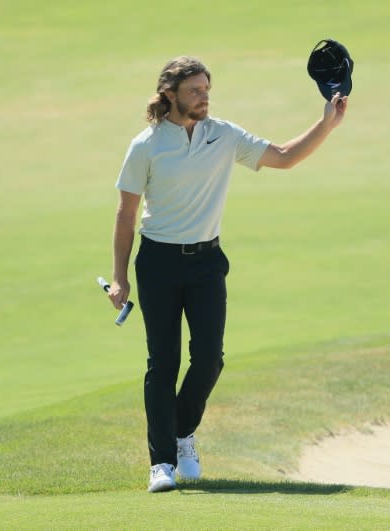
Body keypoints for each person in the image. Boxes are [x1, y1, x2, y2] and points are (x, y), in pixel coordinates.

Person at [107, 55, 348, 493]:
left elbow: (285, 157)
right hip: (158, 262)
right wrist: (120, 278)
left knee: (209, 360)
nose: (204, 97)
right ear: (170, 94)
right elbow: (126, 215)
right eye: (195, 90)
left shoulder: (224, 135)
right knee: (163, 364)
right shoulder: (146, 145)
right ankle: (161, 463)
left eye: (206, 89)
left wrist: (326, 123)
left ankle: (181, 432)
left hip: (206, 263)